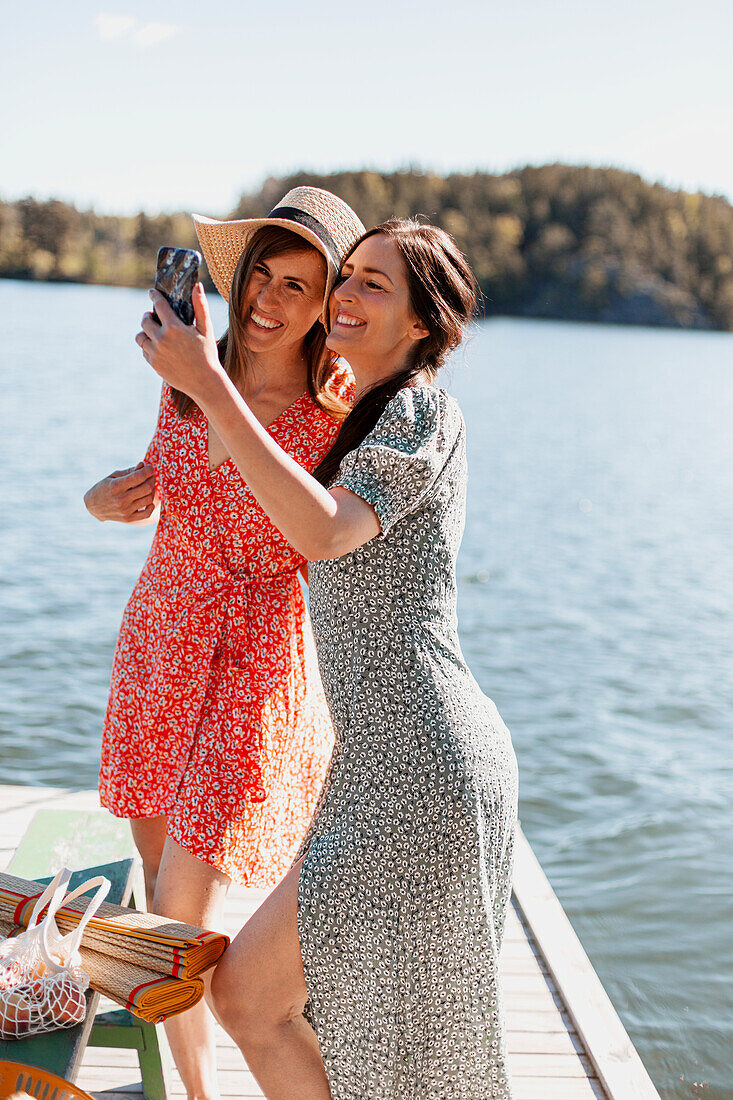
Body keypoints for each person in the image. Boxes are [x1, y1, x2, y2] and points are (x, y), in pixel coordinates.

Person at [137, 218, 519, 1100]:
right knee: (295, 1009)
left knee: (257, 1001)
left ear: (423, 323)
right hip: (381, 766)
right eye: (344, 279)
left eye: (373, 285)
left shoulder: (421, 408)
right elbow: (274, 488)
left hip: (423, 765)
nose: (344, 296)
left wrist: (206, 379)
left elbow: (321, 529)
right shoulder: (365, 412)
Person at [84, 187, 366, 1100]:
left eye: (299, 285)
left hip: (255, 667)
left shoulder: (335, 414)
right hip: (158, 647)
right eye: (262, 275)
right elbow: (151, 488)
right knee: (159, 878)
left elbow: (330, 536)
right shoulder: (184, 381)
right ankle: (197, 1093)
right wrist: (105, 498)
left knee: (178, 911)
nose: (269, 301)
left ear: (329, 306)